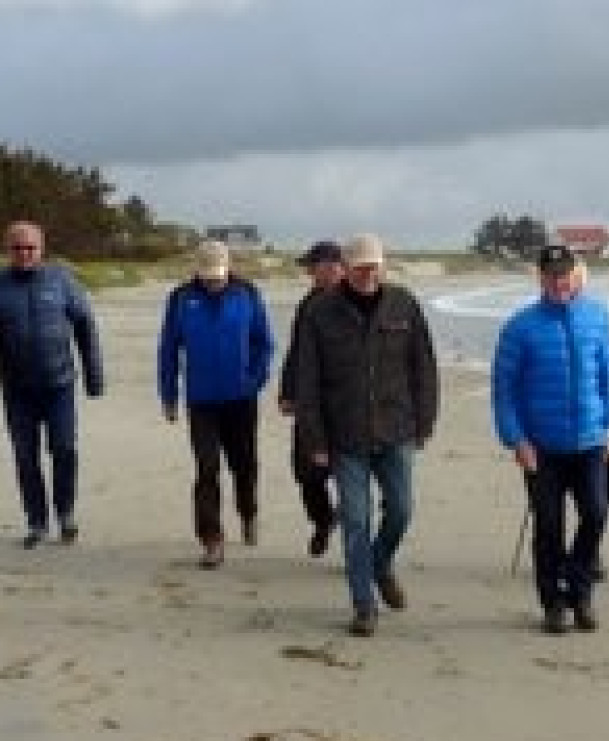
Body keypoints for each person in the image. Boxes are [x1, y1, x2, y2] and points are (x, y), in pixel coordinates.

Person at [292, 233, 439, 637]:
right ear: (346, 267)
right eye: (359, 267)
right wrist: (315, 440)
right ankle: (363, 605)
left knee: (402, 510)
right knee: (356, 520)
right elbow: (308, 380)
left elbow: (423, 366)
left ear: (382, 266)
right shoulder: (320, 312)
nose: (367, 274)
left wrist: (425, 420)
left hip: (397, 429)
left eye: (373, 266)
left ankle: (380, 563)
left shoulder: (403, 304)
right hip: (345, 436)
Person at [491, 244, 609, 634]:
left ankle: (579, 589)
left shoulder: (597, 317)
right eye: (551, 275)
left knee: (596, 513)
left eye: (564, 275)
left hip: (590, 441)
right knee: (548, 527)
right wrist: (516, 440)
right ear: (541, 278)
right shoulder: (520, 326)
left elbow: (607, 379)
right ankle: (553, 604)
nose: (559, 282)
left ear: (574, 275)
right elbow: (504, 392)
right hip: (541, 448)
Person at [0, 221, 105, 549]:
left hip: (60, 384)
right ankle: (37, 522)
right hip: (17, 389)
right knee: (26, 457)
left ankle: (66, 513)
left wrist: (94, 376)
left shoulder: (62, 280)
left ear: (42, 249)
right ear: (7, 250)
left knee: (64, 450)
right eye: (18, 248)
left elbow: (85, 325)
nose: (25, 254)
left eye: (31, 248)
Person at [157, 240, 275, 569]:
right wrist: (168, 395)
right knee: (207, 469)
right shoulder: (181, 299)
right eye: (207, 277)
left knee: (244, 466)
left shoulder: (248, 294)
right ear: (198, 271)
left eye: (218, 277)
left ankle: (248, 512)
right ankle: (212, 540)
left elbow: (264, 343)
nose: (213, 283)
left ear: (229, 270)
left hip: (241, 399)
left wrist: (256, 379)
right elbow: (168, 349)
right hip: (201, 401)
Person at [278, 240, 346, 557]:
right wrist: (287, 391)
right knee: (306, 473)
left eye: (312, 266)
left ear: (333, 267)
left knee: (350, 476)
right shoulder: (308, 303)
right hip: (309, 401)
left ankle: (354, 545)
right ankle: (323, 521)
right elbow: (295, 352)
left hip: (347, 405)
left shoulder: (355, 300)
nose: (307, 272)